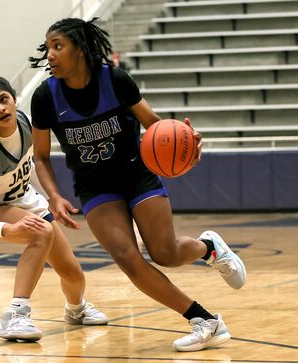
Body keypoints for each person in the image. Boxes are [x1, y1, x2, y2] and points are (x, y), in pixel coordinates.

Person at [29, 18, 246, 352]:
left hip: (135, 173)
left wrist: (186, 144)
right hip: (94, 185)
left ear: (81, 49)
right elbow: (41, 157)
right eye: (48, 48)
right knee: (128, 259)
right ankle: (205, 321)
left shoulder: (114, 80)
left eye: (58, 46)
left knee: (166, 254)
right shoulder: (45, 97)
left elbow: (156, 127)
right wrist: (54, 196)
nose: (51, 55)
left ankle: (209, 248)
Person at [0, 75, 108, 342]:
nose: (1, 108)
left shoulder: (27, 123)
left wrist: (52, 197)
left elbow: (33, 165)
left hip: (24, 198)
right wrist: (8, 228)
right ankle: (15, 315)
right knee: (41, 233)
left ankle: (76, 310)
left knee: (73, 273)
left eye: (3, 100)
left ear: (14, 99)